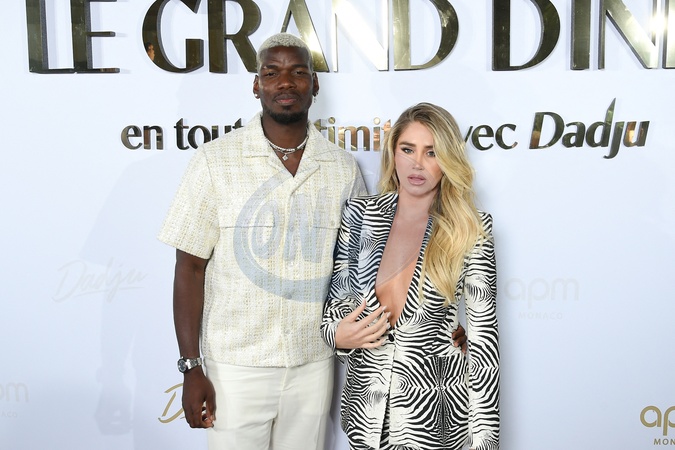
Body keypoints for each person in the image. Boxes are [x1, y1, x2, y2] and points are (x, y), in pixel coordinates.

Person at [159, 33, 467, 449]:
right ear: (256, 85)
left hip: (313, 364)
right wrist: (190, 366)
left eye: (298, 72)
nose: (285, 82)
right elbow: (189, 267)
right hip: (235, 366)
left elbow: (370, 266)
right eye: (272, 73)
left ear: (314, 84)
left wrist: (445, 325)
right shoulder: (215, 161)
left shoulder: (341, 168)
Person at [321, 103, 499, 450]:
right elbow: (336, 305)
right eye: (408, 149)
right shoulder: (360, 214)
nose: (418, 163)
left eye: (432, 152)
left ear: (448, 160)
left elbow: (484, 345)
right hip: (365, 414)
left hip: (434, 417)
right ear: (393, 153)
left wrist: (485, 443)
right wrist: (338, 335)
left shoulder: (471, 229)